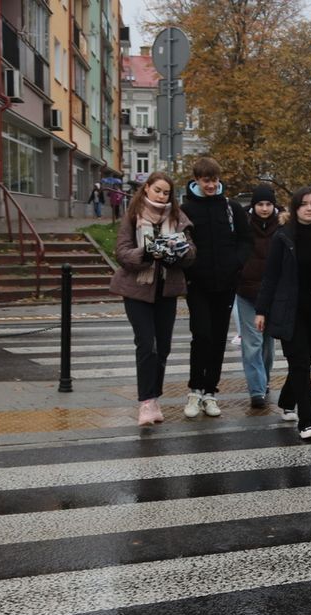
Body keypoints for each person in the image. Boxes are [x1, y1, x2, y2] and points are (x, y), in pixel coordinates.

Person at [108, 171, 196, 426]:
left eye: (166, 192)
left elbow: (191, 253)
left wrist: (177, 252)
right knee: (147, 345)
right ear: (146, 189)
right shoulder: (133, 216)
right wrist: (147, 252)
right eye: (157, 189)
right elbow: (122, 253)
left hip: (166, 291)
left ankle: (154, 397)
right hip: (137, 290)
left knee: (163, 348)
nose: (161, 195)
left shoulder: (178, 218)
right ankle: (146, 402)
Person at [255, 187, 311, 440]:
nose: (309, 208)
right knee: (300, 363)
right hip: (289, 310)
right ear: (295, 208)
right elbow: (270, 277)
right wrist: (261, 310)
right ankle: (307, 421)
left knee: (304, 361)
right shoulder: (283, 237)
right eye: (303, 204)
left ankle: (286, 399)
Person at [180, 157, 252, 418]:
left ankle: (210, 392)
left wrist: (236, 263)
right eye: (206, 180)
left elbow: (245, 240)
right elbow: (180, 243)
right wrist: (191, 270)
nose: (211, 185)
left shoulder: (231, 208)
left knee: (219, 337)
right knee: (201, 335)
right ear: (197, 180)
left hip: (225, 284)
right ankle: (194, 390)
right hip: (197, 285)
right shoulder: (185, 209)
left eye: (215, 180)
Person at [235, 184, 280, 408]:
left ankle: (264, 381)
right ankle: (257, 391)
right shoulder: (243, 225)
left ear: (274, 206)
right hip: (246, 293)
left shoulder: (281, 227)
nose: (264, 208)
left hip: (271, 294)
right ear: (253, 206)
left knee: (267, 346)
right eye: (260, 204)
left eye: (268, 204)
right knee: (252, 343)